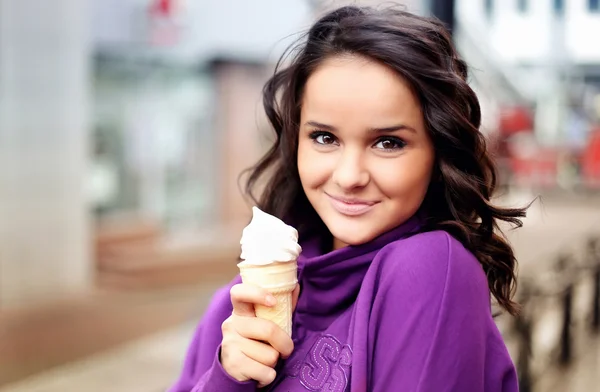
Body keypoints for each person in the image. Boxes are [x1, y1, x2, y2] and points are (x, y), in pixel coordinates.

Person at [168, 5, 526, 392]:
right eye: (325, 137)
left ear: (438, 153)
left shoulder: (430, 269)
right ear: (295, 141)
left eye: (388, 143)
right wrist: (227, 379)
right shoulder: (234, 309)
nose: (349, 176)